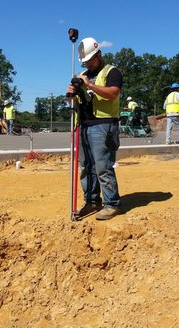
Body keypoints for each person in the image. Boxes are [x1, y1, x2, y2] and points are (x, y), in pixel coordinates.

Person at [67, 37, 123, 220]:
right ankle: (92, 201)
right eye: (85, 61)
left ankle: (111, 204)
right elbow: (76, 101)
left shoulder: (111, 72)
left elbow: (113, 94)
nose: (88, 64)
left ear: (99, 54)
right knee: (86, 167)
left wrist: (89, 85)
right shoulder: (82, 74)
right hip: (83, 125)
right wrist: (71, 94)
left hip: (103, 125)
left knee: (102, 166)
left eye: (90, 60)